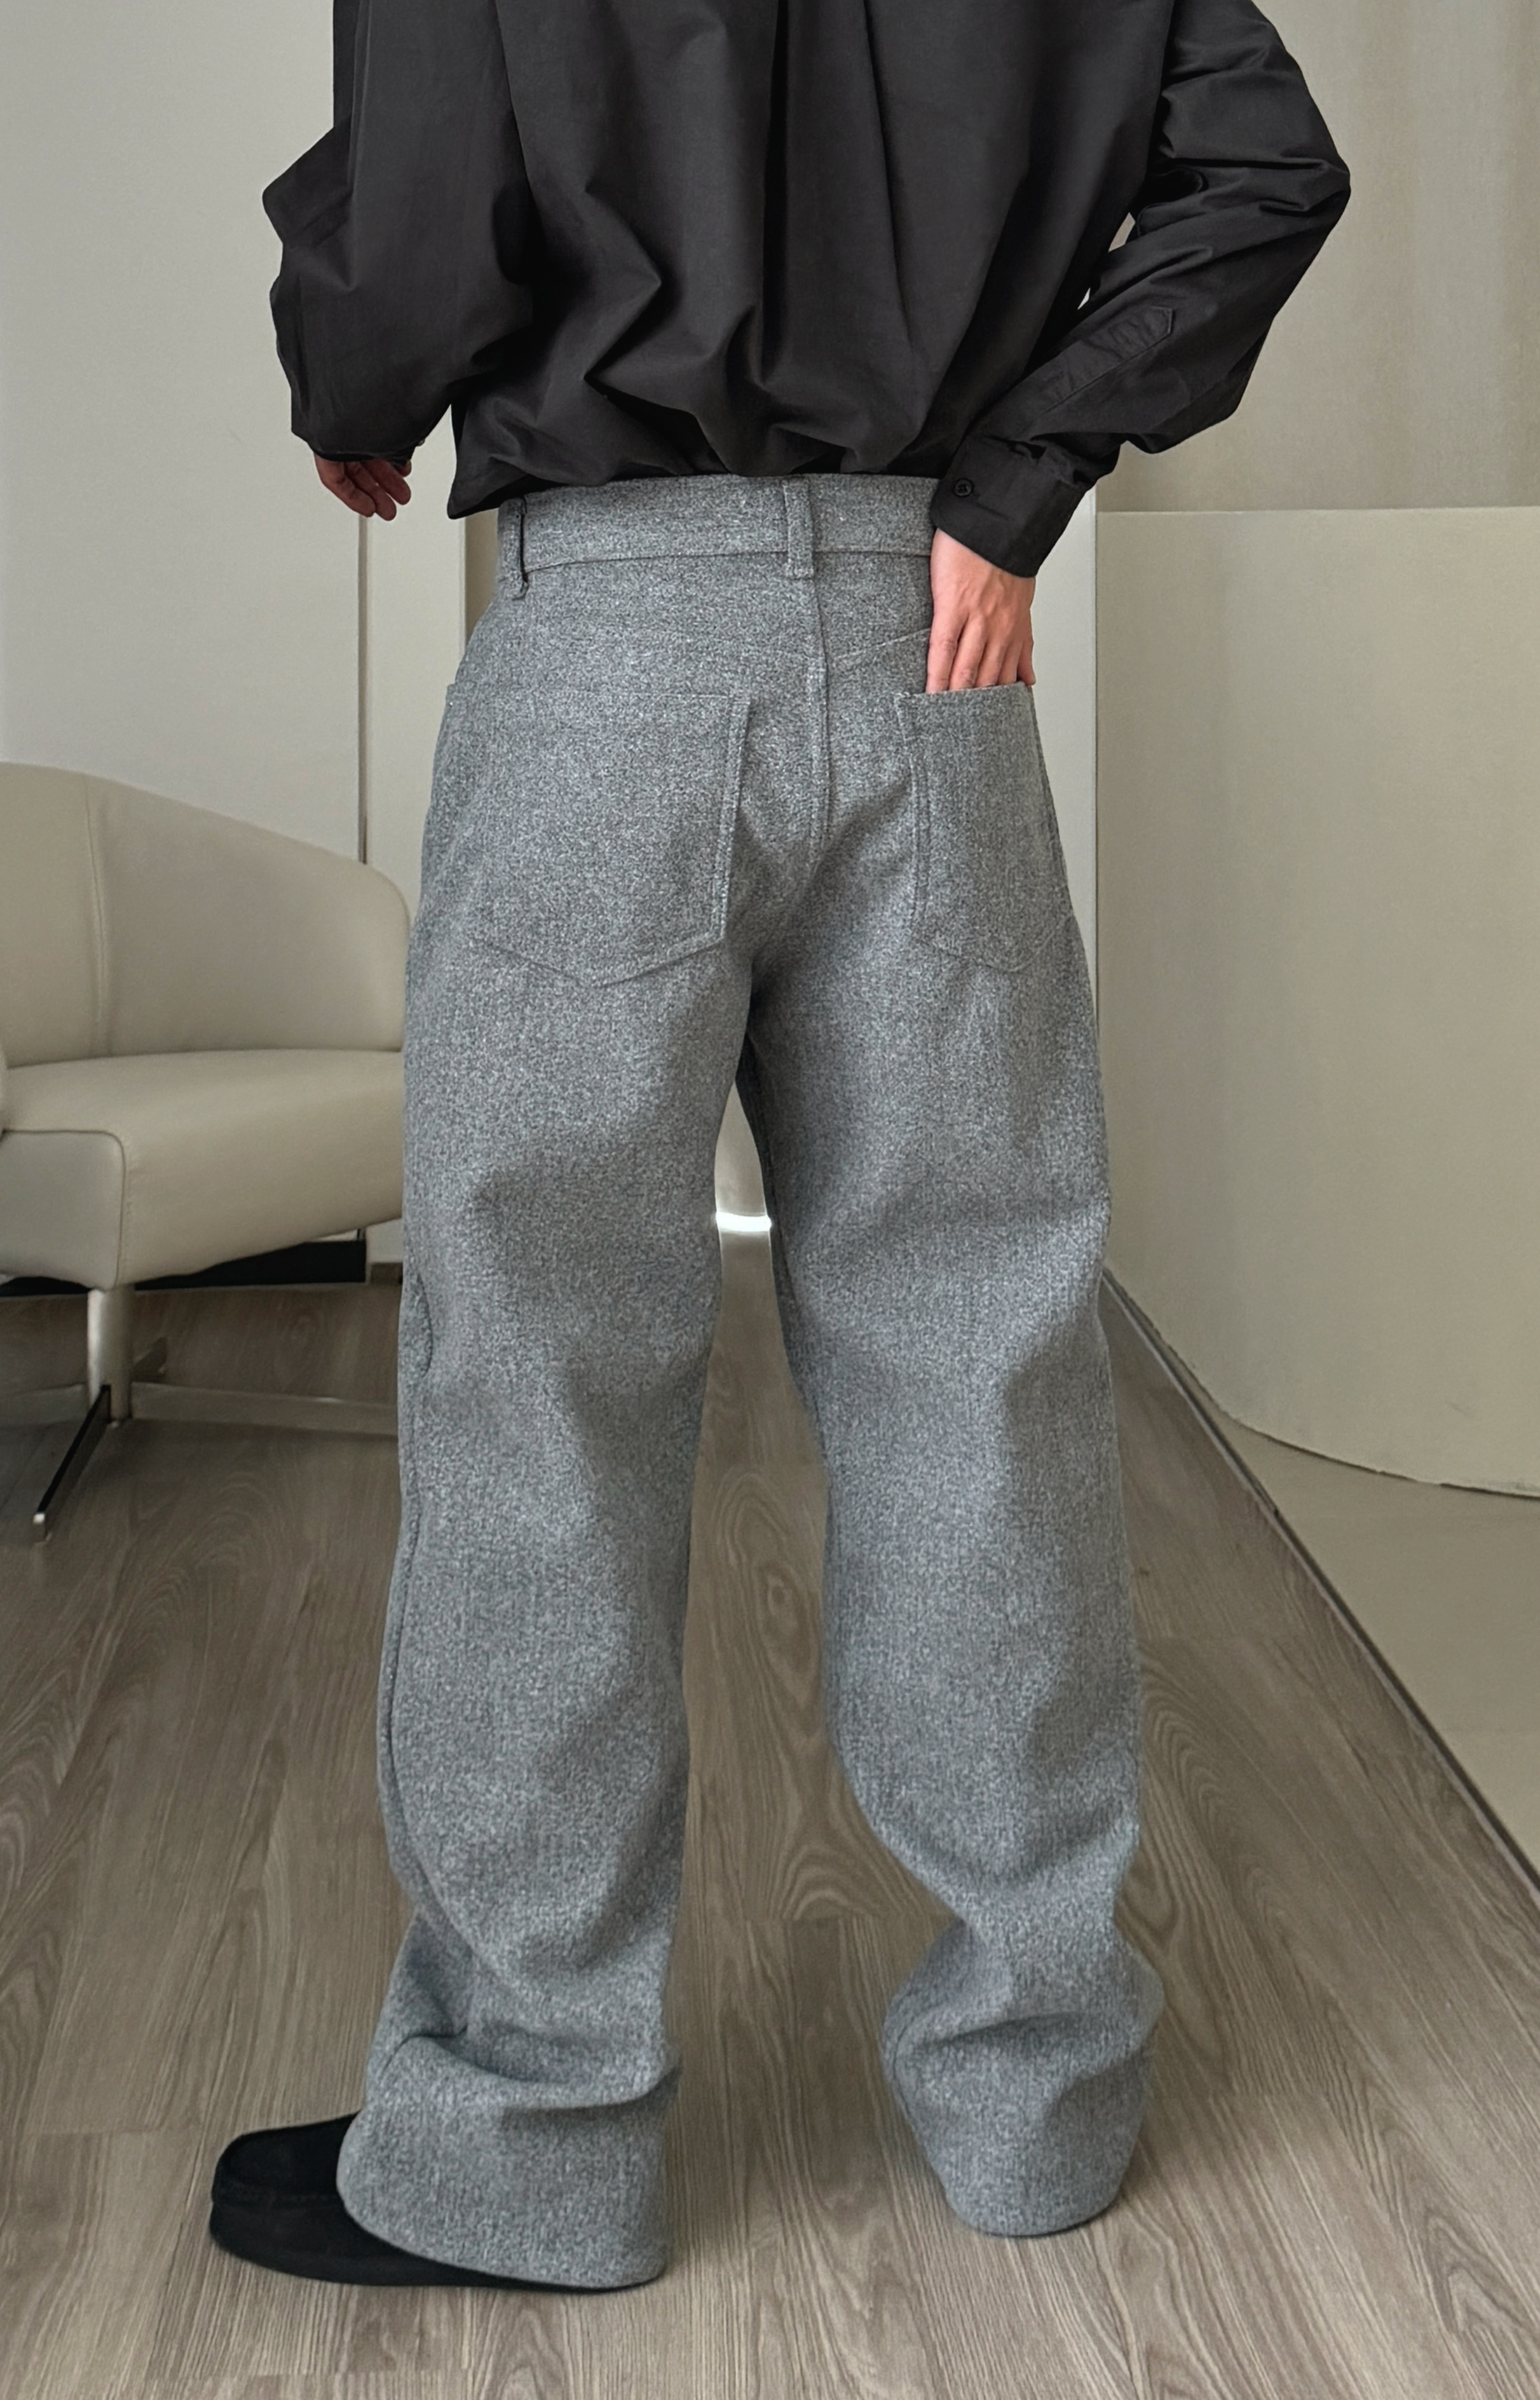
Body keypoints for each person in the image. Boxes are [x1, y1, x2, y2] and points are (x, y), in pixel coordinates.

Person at [209, 0, 1349, 2289]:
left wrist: (353, 391)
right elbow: (1268, 168)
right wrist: (1021, 476)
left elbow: (419, 223)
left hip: (613, 648)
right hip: (947, 643)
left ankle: (532, 2142)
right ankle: (1037, 2099)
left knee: (541, 1394)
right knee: (981, 1376)